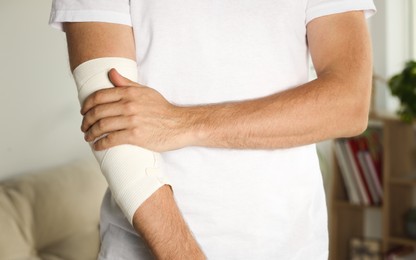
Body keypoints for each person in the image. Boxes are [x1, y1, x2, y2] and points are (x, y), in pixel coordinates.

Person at [49, 0, 376, 259]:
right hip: (151, 248)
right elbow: (112, 122)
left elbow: (348, 104)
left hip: (292, 245)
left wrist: (184, 122)